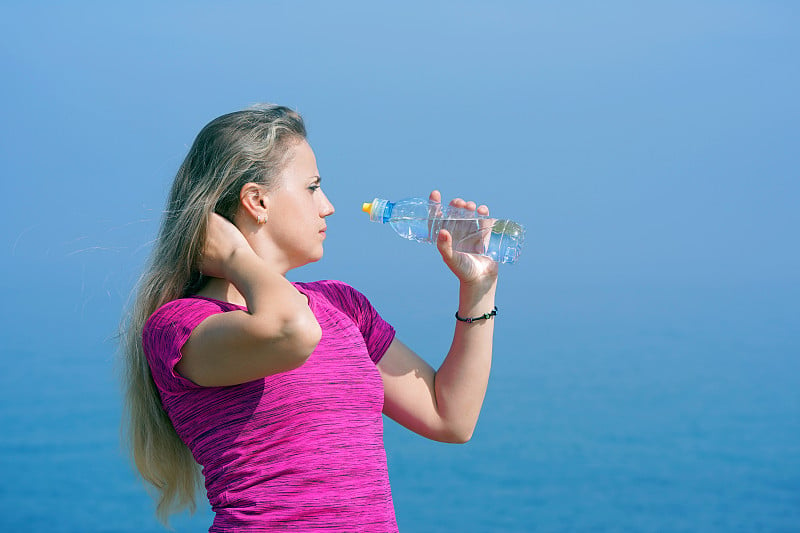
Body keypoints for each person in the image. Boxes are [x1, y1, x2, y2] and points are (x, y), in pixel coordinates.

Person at [121, 104, 499, 532]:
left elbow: (450, 417)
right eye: (312, 187)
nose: (329, 206)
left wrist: (478, 288)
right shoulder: (182, 326)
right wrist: (234, 255)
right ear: (256, 201)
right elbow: (292, 333)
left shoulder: (341, 305)